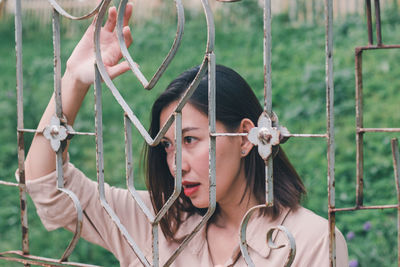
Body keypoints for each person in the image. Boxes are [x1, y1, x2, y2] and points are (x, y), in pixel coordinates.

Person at [22, 4, 348, 267]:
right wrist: (73, 81)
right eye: (167, 145)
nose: (176, 163)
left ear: (246, 137)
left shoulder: (309, 240)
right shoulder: (158, 221)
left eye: (190, 140)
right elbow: (50, 186)